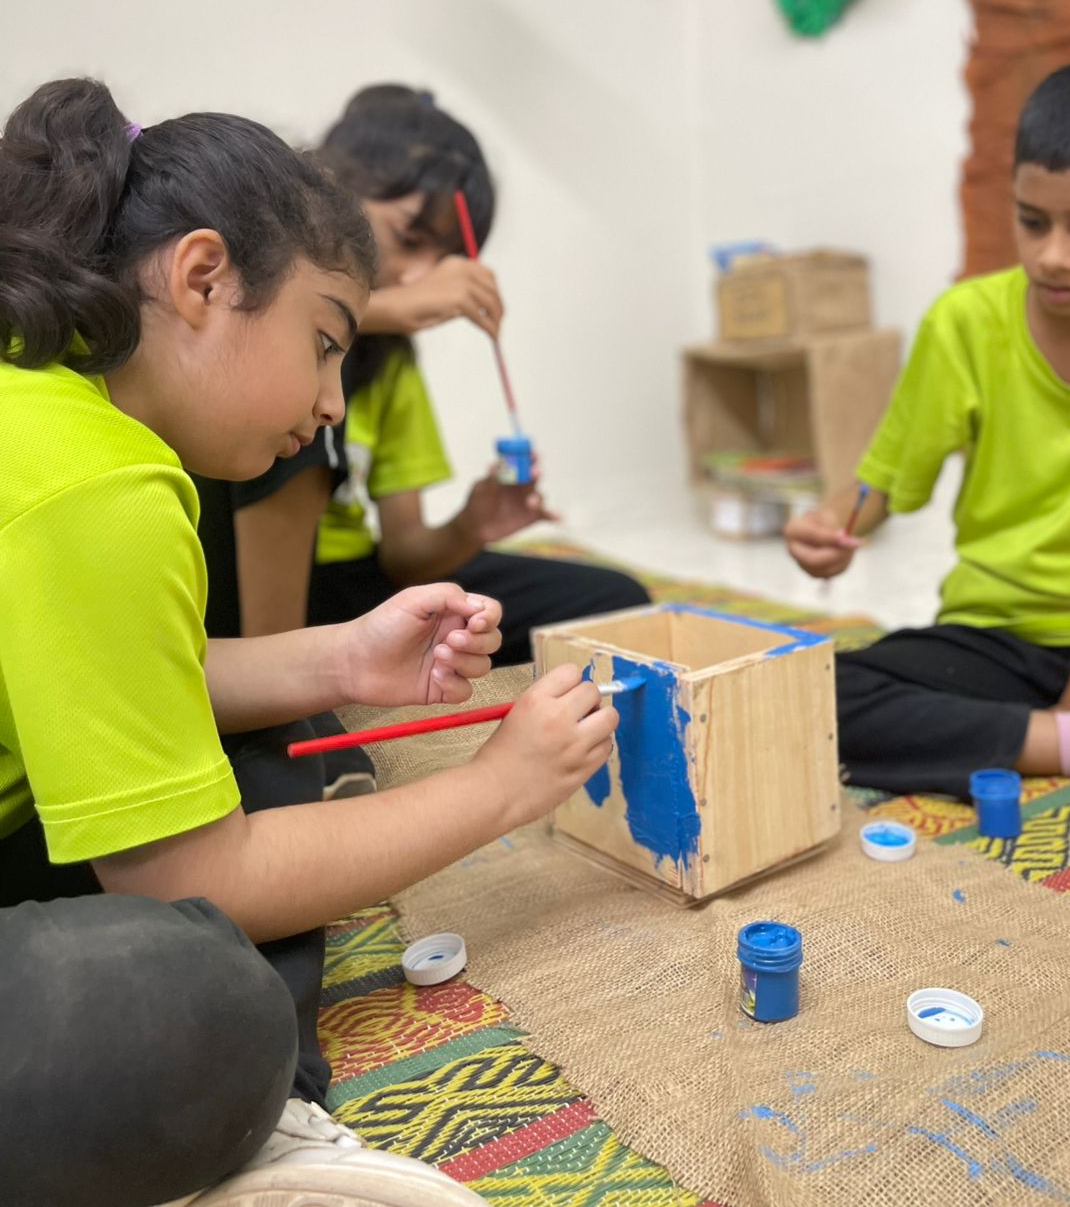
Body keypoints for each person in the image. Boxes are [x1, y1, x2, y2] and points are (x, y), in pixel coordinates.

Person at [0, 78, 618, 1207]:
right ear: (201, 277)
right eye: (325, 343)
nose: (334, 400)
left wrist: (339, 659)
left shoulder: (41, 393)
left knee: (285, 770)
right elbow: (186, 880)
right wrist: (505, 784)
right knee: (207, 993)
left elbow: (123, 682)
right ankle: (259, 1131)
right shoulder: (103, 484)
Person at [786, 57, 1070, 801]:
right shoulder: (965, 322)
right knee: (812, 698)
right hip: (1006, 631)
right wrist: (830, 525)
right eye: (1031, 220)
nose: (1053, 255)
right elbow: (885, 481)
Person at [218, 85, 650, 673]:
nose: (421, 275)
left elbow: (404, 555)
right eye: (410, 238)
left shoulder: (390, 362)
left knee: (616, 601)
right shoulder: (262, 336)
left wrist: (472, 524)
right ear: (329, 191)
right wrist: (398, 307)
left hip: (353, 591)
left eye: (443, 257)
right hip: (244, 599)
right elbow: (275, 308)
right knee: (290, 400)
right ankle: (285, 681)